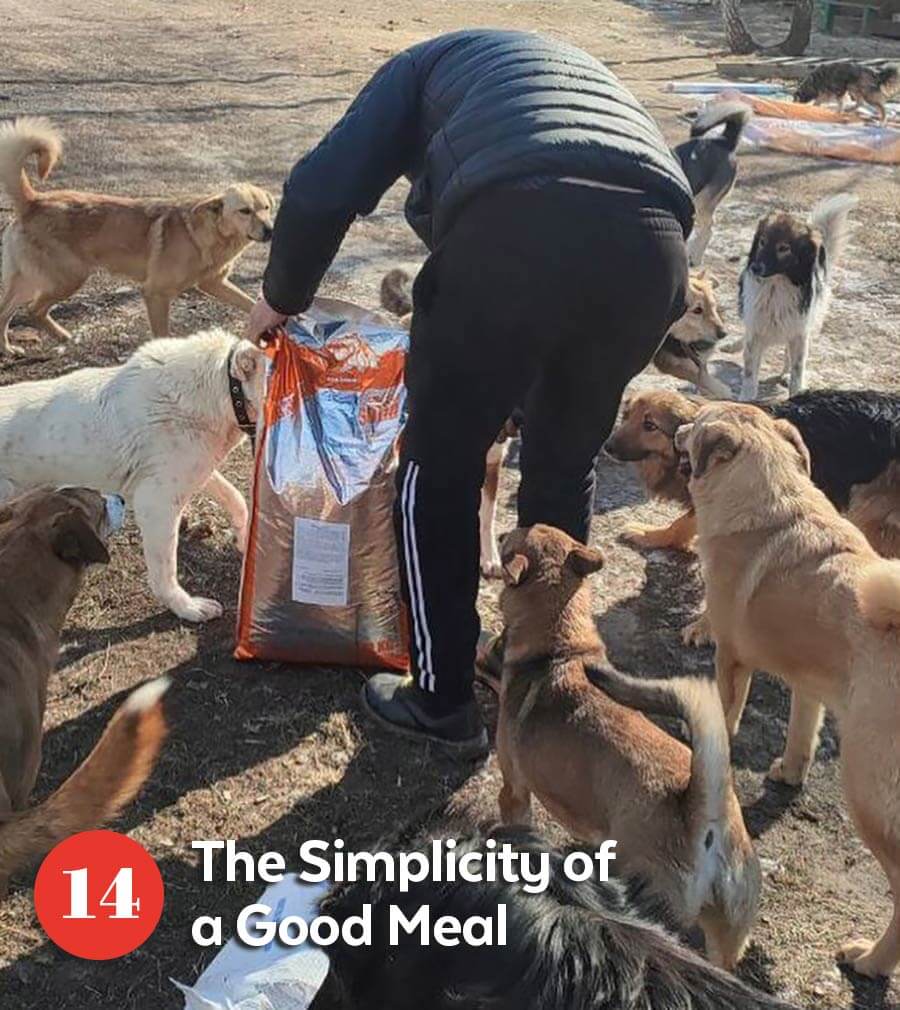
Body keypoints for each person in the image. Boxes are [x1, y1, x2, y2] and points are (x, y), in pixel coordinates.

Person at [245, 28, 692, 758]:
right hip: (654, 248)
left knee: (438, 463)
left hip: (520, 220)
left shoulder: (416, 70)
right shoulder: (546, 72)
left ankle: (441, 697)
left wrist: (281, 296)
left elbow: (321, 186)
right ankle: (545, 679)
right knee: (561, 458)